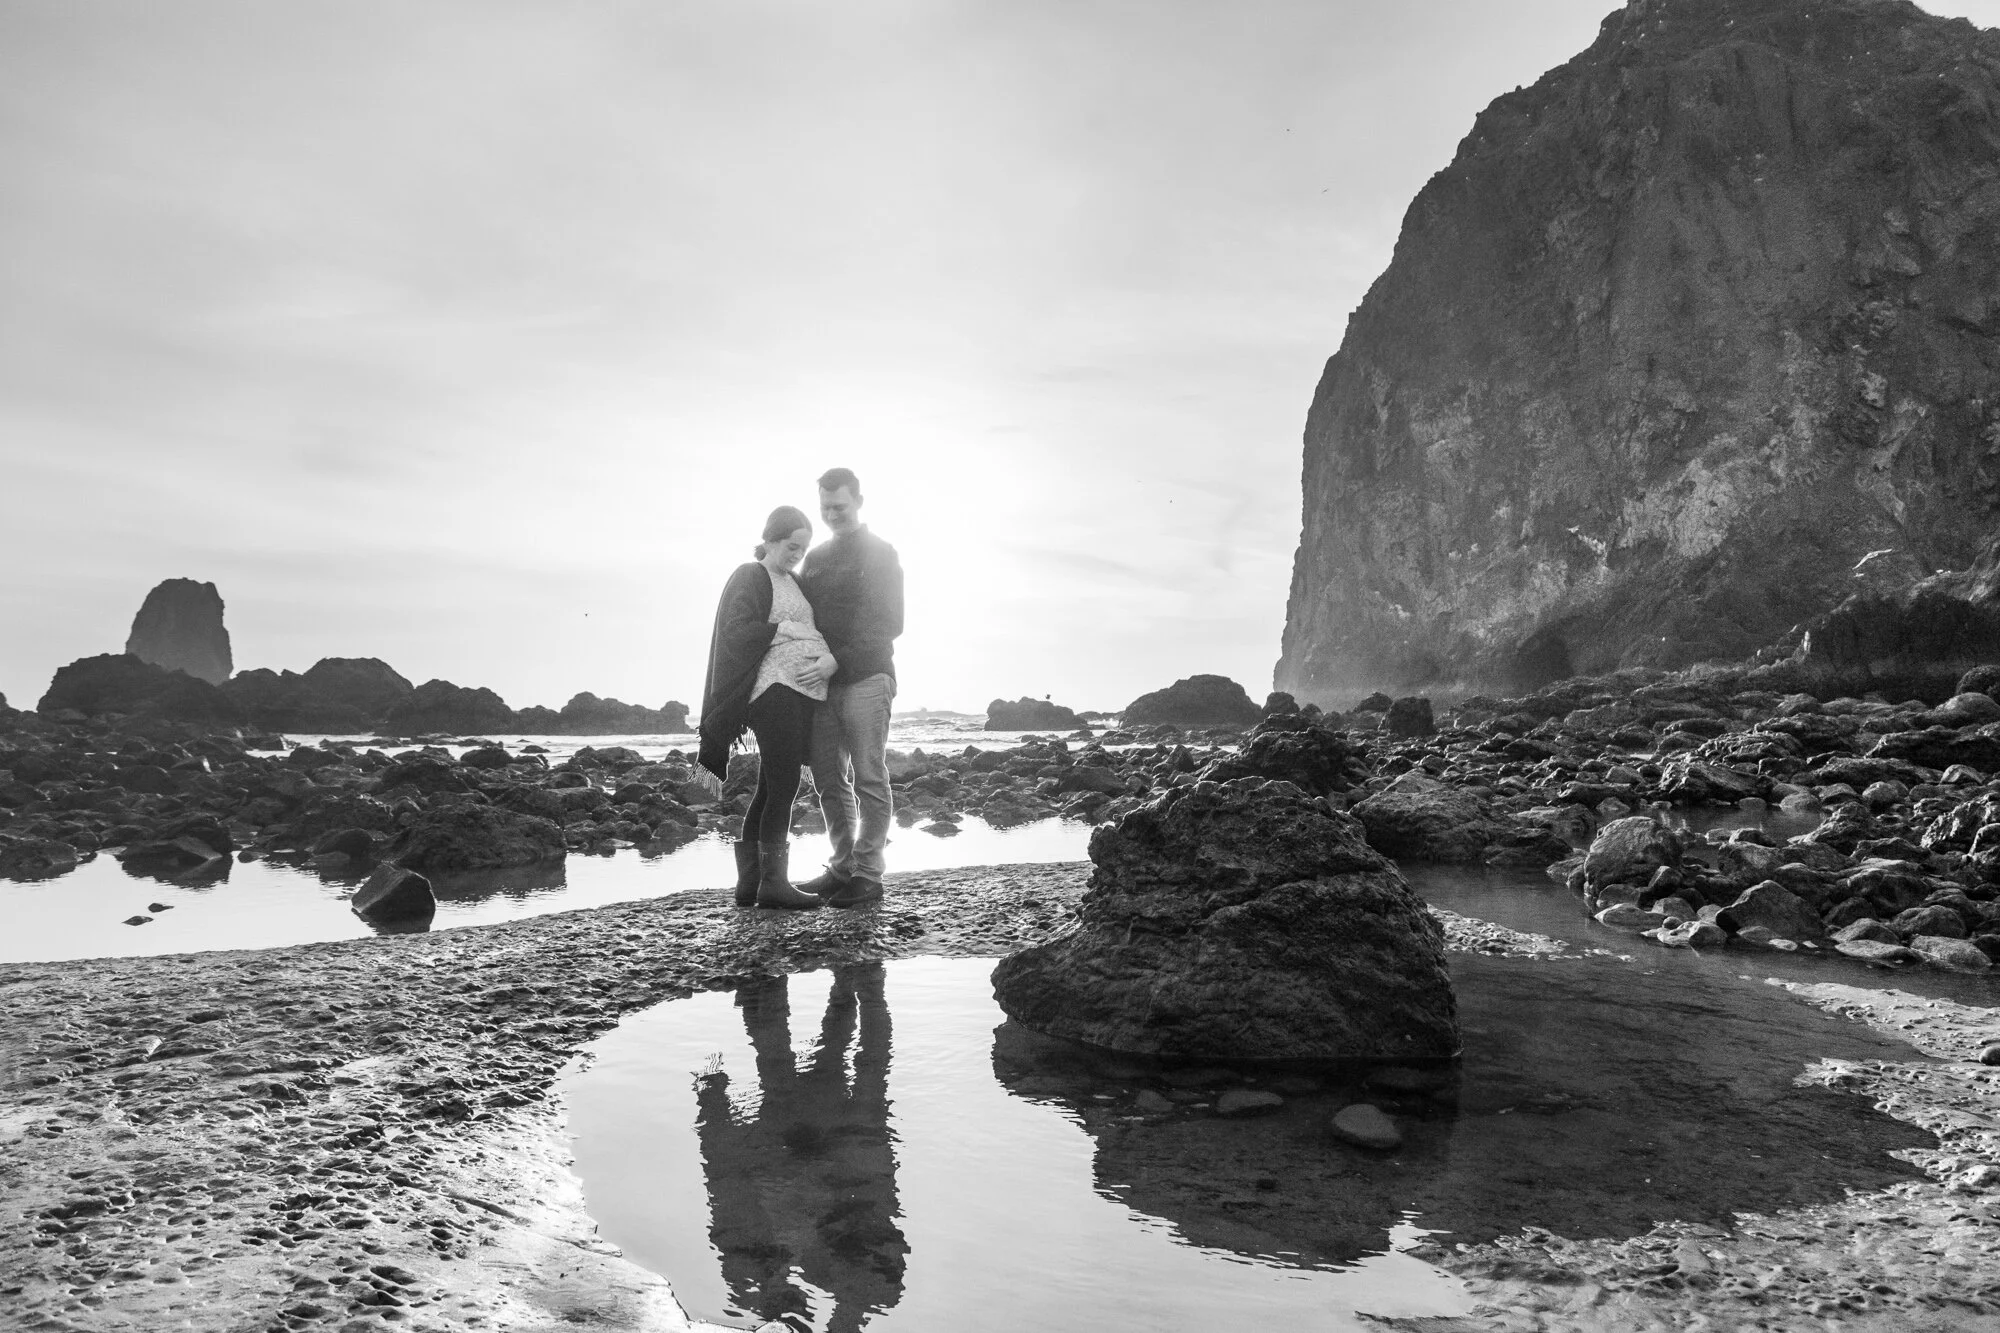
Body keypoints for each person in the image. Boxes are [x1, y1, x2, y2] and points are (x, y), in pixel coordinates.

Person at [698, 505, 838, 909]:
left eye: (804, 548)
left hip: (795, 694)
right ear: (772, 538)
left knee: (768, 786)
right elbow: (736, 631)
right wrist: (784, 628)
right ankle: (774, 885)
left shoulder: (792, 580)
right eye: (793, 545)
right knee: (784, 785)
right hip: (773, 692)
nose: (798, 554)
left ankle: (752, 885)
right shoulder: (750, 575)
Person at [798, 467, 903, 907]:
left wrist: (836, 660)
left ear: (858, 501)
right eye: (824, 508)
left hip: (867, 678)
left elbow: (890, 623)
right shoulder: (816, 557)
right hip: (823, 685)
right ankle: (842, 867)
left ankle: (869, 874)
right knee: (828, 779)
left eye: (838, 507)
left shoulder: (882, 553)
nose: (832, 515)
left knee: (869, 777)